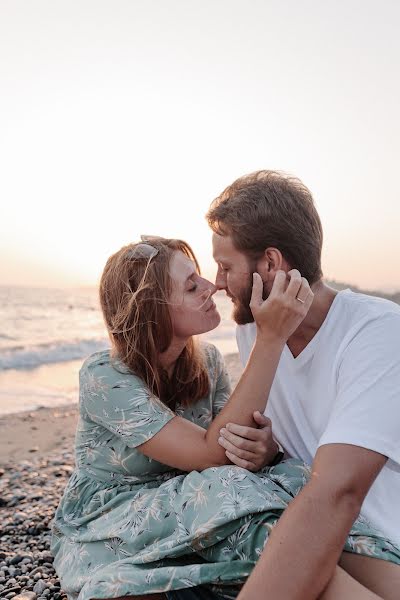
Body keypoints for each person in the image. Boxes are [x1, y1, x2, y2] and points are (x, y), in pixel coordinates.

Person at [50, 237, 398, 600]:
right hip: (115, 511)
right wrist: (271, 338)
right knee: (239, 501)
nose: (212, 286)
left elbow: (231, 442)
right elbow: (210, 454)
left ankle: (382, 575)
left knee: (293, 478)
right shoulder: (104, 375)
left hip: (193, 500)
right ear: (151, 308)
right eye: (190, 286)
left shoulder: (208, 362)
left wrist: (262, 449)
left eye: (201, 276)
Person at [205, 170, 400, 599]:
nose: (217, 283)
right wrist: (270, 449)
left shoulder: (377, 331)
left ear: (270, 264)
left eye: (225, 267)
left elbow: (339, 489)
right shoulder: (256, 332)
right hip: (311, 523)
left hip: (384, 543)